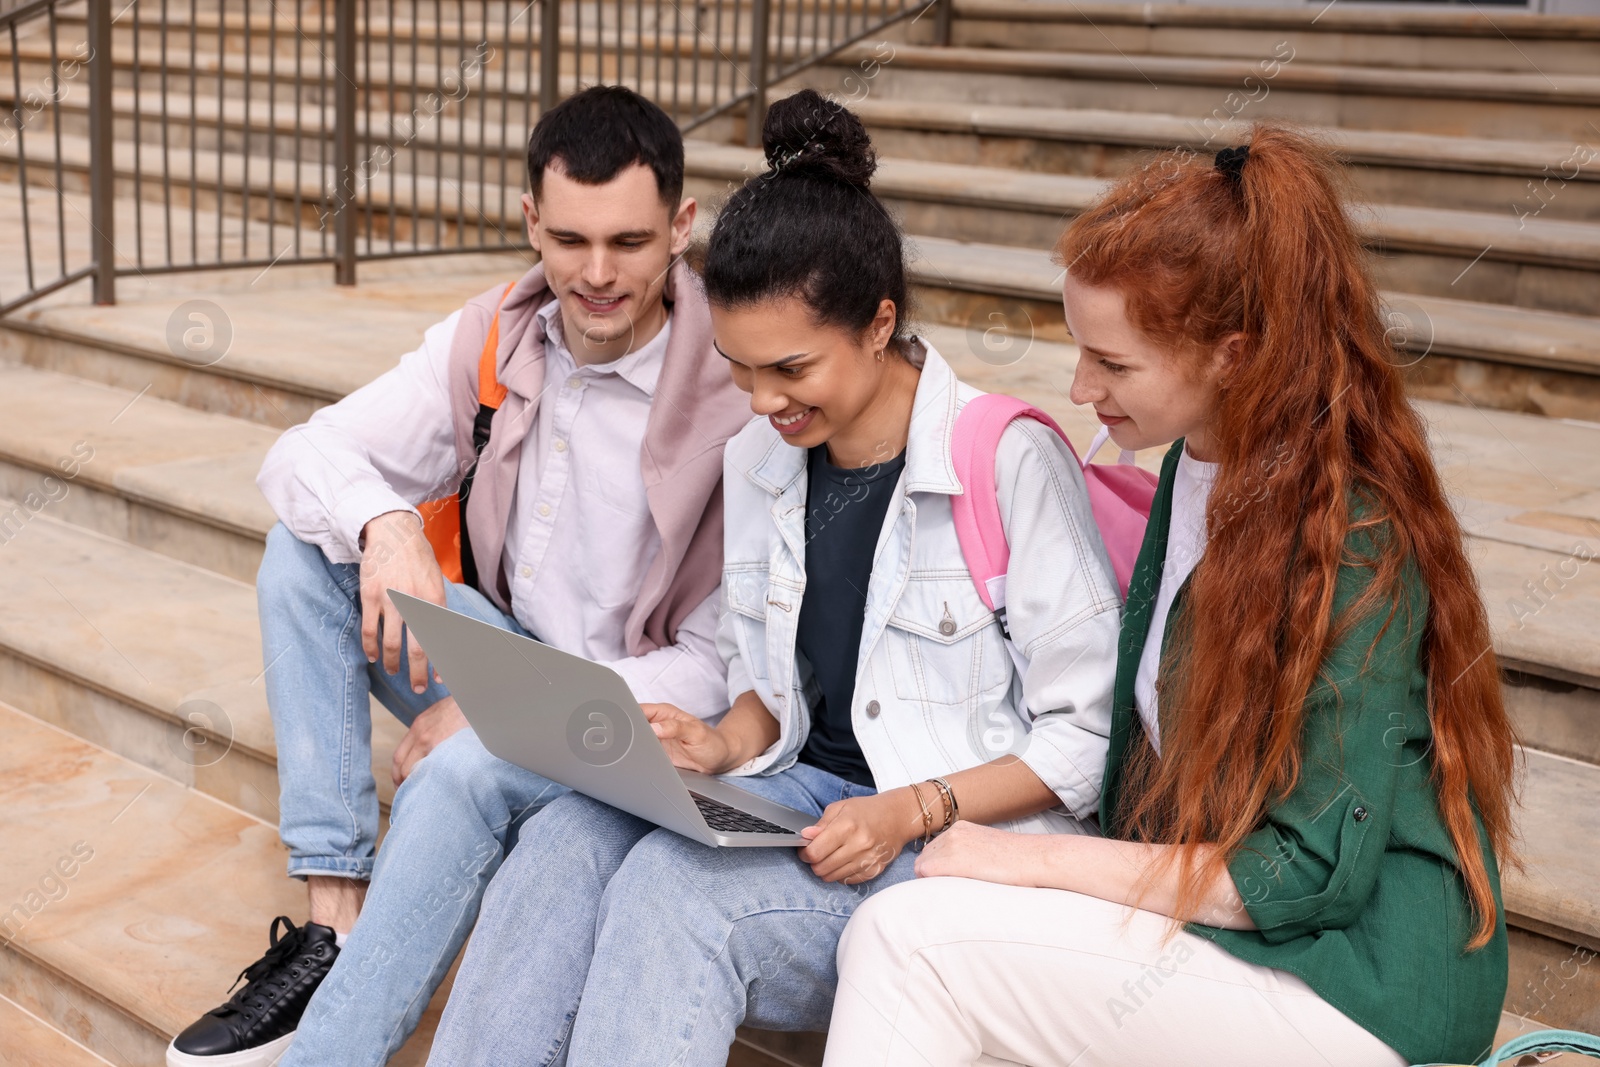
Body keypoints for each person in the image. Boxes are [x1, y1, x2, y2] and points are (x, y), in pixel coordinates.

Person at [422, 89, 1123, 1066]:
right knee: (564, 834)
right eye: (738, 368)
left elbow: (1089, 737)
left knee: (672, 892)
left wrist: (903, 810)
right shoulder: (761, 457)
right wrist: (718, 739)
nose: (760, 401)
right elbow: (772, 695)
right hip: (801, 799)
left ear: (878, 325)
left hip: (955, 851)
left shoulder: (1004, 464)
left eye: (789, 369)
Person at [822, 125, 1518, 1067]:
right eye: (1081, 352)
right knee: (944, 938)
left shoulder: (1355, 533)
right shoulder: (1193, 461)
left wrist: (1025, 855)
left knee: (907, 942)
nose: (1080, 388)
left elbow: (1307, 873)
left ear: (1233, 354)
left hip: (1362, 989)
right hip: (1242, 947)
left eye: (1112, 364)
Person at [164, 86, 752, 1067]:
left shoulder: (735, 384)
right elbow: (304, 452)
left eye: (629, 243)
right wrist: (388, 521)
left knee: (470, 768)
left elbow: (723, 663)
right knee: (306, 550)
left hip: (639, 715)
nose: (596, 274)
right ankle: (334, 928)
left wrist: (510, 715)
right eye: (568, 240)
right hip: (513, 659)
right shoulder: (501, 330)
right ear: (530, 221)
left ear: (681, 227)